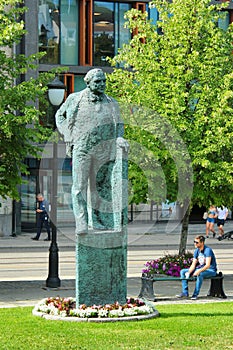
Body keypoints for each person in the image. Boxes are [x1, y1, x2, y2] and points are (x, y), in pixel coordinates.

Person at [55, 68, 129, 234]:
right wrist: (67, 132)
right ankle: (81, 222)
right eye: (97, 81)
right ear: (88, 83)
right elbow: (60, 115)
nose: (101, 84)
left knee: (100, 186)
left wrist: (119, 138)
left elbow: (119, 125)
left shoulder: (112, 103)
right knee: (79, 186)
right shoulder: (75, 99)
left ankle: (97, 221)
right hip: (82, 148)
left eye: (103, 81)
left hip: (103, 149)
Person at [177, 235, 217, 300]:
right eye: (194, 242)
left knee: (200, 274)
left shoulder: (207, 250)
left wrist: (198, 271)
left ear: (202, 243)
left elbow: (207, 265)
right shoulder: (197, 251)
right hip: (200, 268)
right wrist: (189, 272)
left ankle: (195, 294)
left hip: (210, 270)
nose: (195, 244)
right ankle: (185, 292)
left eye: (197, 242)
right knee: (183, 271)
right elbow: (193, 264)